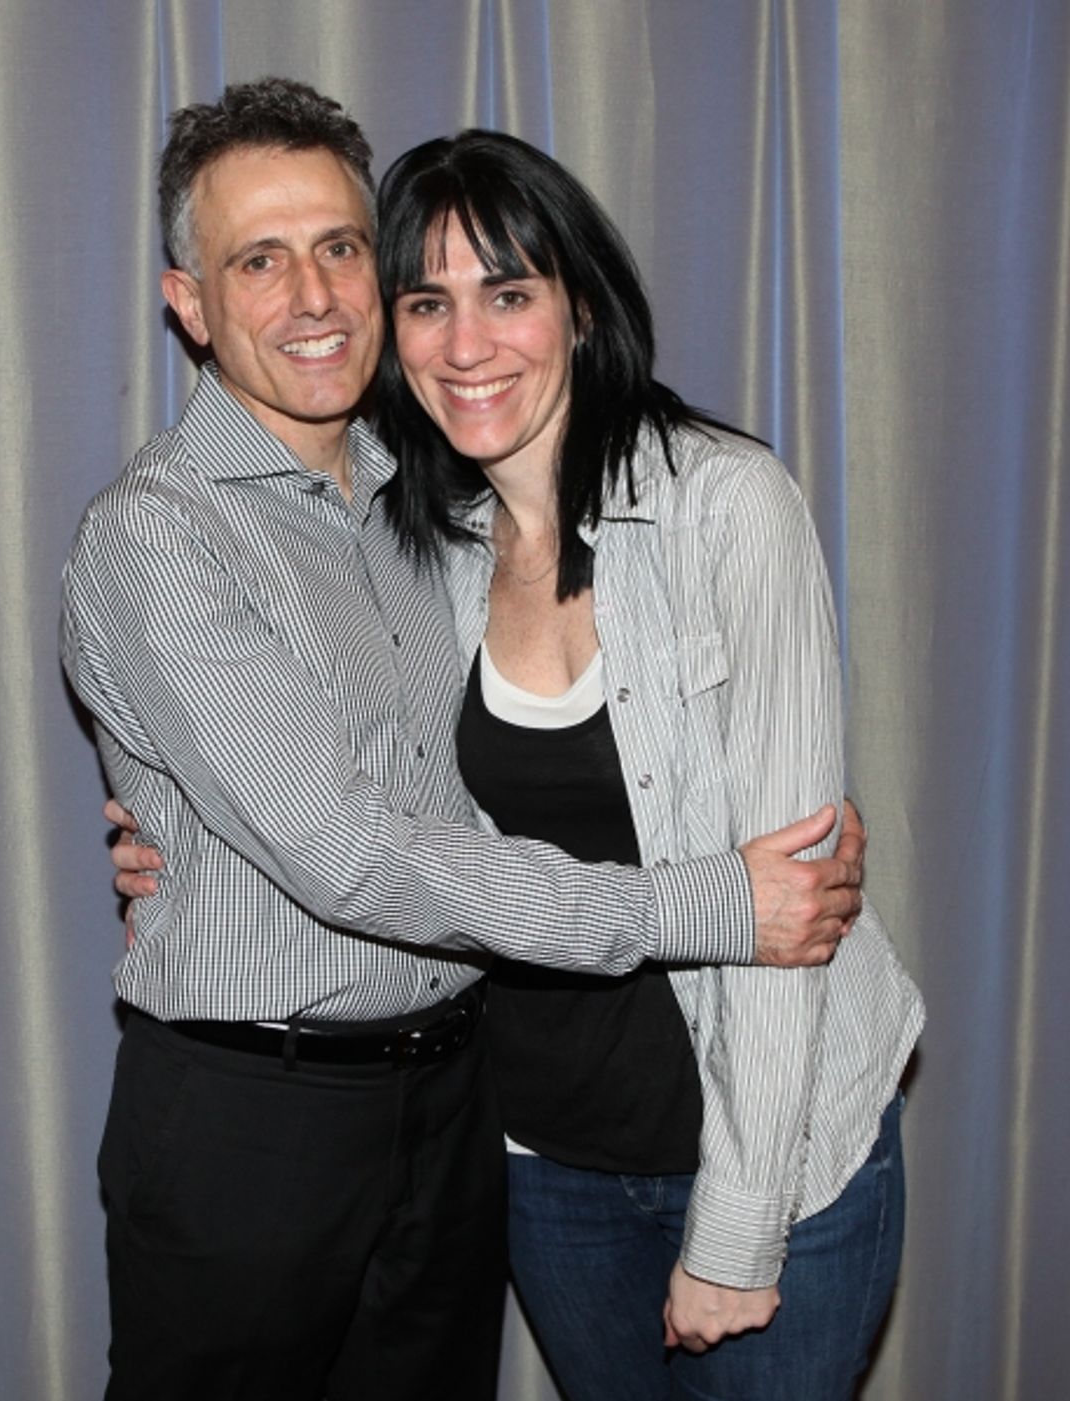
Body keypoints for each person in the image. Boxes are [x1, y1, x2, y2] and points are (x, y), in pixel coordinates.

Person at [65, 78, 865, 1401]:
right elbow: (350, 855)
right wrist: (713, 899)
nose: (314, 296)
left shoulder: (424, 499)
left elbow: (490, 784)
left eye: (339, 248)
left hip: (461, 1110)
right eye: (259, 261)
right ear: (189, 304)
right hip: (258, 1122)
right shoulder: (162, 533)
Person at [369, 129, 924, 1400]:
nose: (467, 344)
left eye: (509, 292)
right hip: (544, 1163)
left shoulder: (726, 505)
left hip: (778, 1157)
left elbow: (793, 911)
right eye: (427, 303)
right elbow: (361, 820)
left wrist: (739, 1228)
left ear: (579, 305)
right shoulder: (415, 548)